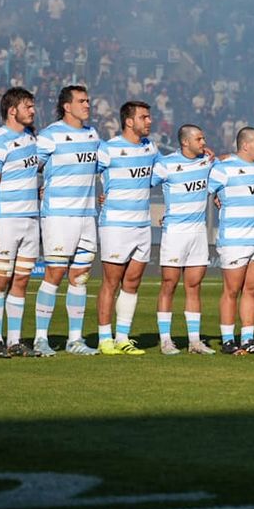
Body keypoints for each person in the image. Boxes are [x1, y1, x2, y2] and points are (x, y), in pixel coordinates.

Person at [35, 85, 102, 356]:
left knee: (80, 277)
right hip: (59, 216)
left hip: (87, 216)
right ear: (66, 106)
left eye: (88, 100)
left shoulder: (92, 134)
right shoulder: (49, 136)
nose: (87, 105)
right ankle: (40, 338)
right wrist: (36, 190)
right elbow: (27, 169)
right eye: (82, 101)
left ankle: (75, 340)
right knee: (54, 274)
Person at [94, 101, 158, 356]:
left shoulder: (150, 147)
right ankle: (104, 339)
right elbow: (84, 173)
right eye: (144, 117)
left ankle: (122, 338)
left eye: (149, 117)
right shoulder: (108, 149)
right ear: (129, 121)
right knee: (111, 282)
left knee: (132, 282)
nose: (149, 121)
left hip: (142, 225)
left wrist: (212, 156)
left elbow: (170, 168)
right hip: (116, 225)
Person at [0, 87, 40, 358]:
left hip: (31, 220)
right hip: (6, 222)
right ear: (12, 110)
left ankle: (14, 340)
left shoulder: (31, 138)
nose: (33, 111)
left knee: (22, 280)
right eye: (28, 106)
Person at [152, 124, 217, 355]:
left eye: (203, 138)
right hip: (175, 232)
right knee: (169, 284)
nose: (203, 142)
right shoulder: (166, 164)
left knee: (194, 286)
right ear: (185, 142)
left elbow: (229, 163)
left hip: (198, 232)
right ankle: (166, 340)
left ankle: (194, 342)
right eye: (199, 139)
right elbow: (141, 184)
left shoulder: (207, 161)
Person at [207, 126, 254, 355]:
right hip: (234, 241)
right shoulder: (223, 169)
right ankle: (227, 341)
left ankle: (247, 339)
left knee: (251, 290)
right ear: (245, 145)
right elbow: (201, 192)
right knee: (232, 291)